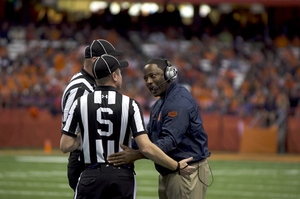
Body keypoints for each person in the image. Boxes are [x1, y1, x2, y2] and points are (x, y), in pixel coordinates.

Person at [60, 54, 195, 199]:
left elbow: (65, 145)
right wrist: (176, 166)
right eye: (120, 73)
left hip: (91, 174)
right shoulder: (130, 104)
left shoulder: (80, 103)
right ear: (114, 76)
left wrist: (90, 133)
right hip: (122, 177)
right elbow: (146, 147)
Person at [108, 58, 211, 199]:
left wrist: (138, 154)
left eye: (153, 76)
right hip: (170, 168)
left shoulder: (178, 103)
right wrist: (119, 140)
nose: (148, 81)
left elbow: (168, 142)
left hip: (186, 170)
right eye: (145, 78)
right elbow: (149, 137)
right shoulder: (159, 104)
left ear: (169, 74)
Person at [61, 39, 124, 191]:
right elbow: (69, 136)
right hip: (85, 160)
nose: (114, 62)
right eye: (110, 58)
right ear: (96, 60)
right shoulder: (81, 88)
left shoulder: (92, 84)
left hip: (94, 159)